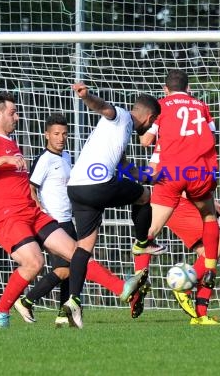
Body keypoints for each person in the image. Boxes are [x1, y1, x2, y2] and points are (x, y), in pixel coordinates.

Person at [0, 92, 143, 328]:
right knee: (34, 262)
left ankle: (122, 289)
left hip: (31, 212)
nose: (18, 117)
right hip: (10, 218)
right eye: (12, 112)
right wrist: (3, 162)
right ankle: (2, 308)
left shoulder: (10, 142)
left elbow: (1, 186)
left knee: (76, 253)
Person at [11, 114, 136, 327]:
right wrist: (38, 207)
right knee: (68, 268)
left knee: (69, 271)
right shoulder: (45, 159)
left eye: (64, 134)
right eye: (56, 134)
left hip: (68, 220)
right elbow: (31, 187)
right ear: (46, 135)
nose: (61, 138)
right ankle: (26, 300)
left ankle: (62, 313)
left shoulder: (67, 157)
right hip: (53, 223)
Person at [64, 82, 163, 328]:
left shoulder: (121, 133)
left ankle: (73, 301)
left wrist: (145, 176)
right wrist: (87, 97)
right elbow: (105, 108)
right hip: (97, 186)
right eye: (153, 122)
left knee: (84, 247)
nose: (151, 127)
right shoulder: (122, 117)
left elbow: (123, 165)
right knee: (144, 197)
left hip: (75, 188)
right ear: (149, 117)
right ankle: (143, 244)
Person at [140, 69, 220, 326]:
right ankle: (205, 279)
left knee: (148, 232)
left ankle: (138, 281)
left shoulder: (161, 108)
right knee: (212, 225)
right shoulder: (201, 106)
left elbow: (146, 140)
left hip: (172, 175)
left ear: (165, 89)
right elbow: (212, 136)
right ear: (188, 88)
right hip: (199, 173)